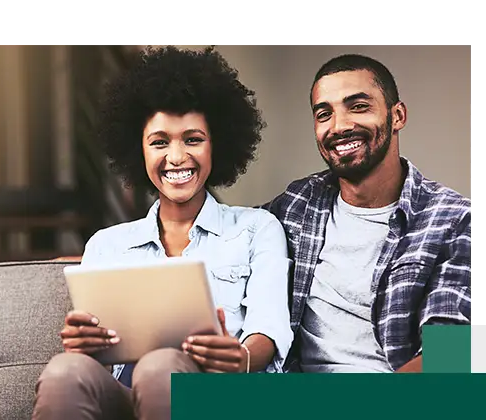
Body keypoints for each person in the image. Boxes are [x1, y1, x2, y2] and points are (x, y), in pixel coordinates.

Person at [33, 46, 292, 420]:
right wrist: (83, 345)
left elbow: (267, 330)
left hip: (218, 395)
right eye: (159, 142)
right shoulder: (107, 245)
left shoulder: (256, 229)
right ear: (138, 150)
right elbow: (97, 358)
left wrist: (242, 357)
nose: (176, 157)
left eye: (193, 139)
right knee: (63, 371)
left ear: (216, 144)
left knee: (160, 367)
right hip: (125, 396)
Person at [262, 54, 473, 373]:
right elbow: (224, 236)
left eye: (358, 106)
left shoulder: (453, 219)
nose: (340, 126)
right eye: (324, 114)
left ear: (397, 115)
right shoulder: (298, 203)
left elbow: (448, 356)